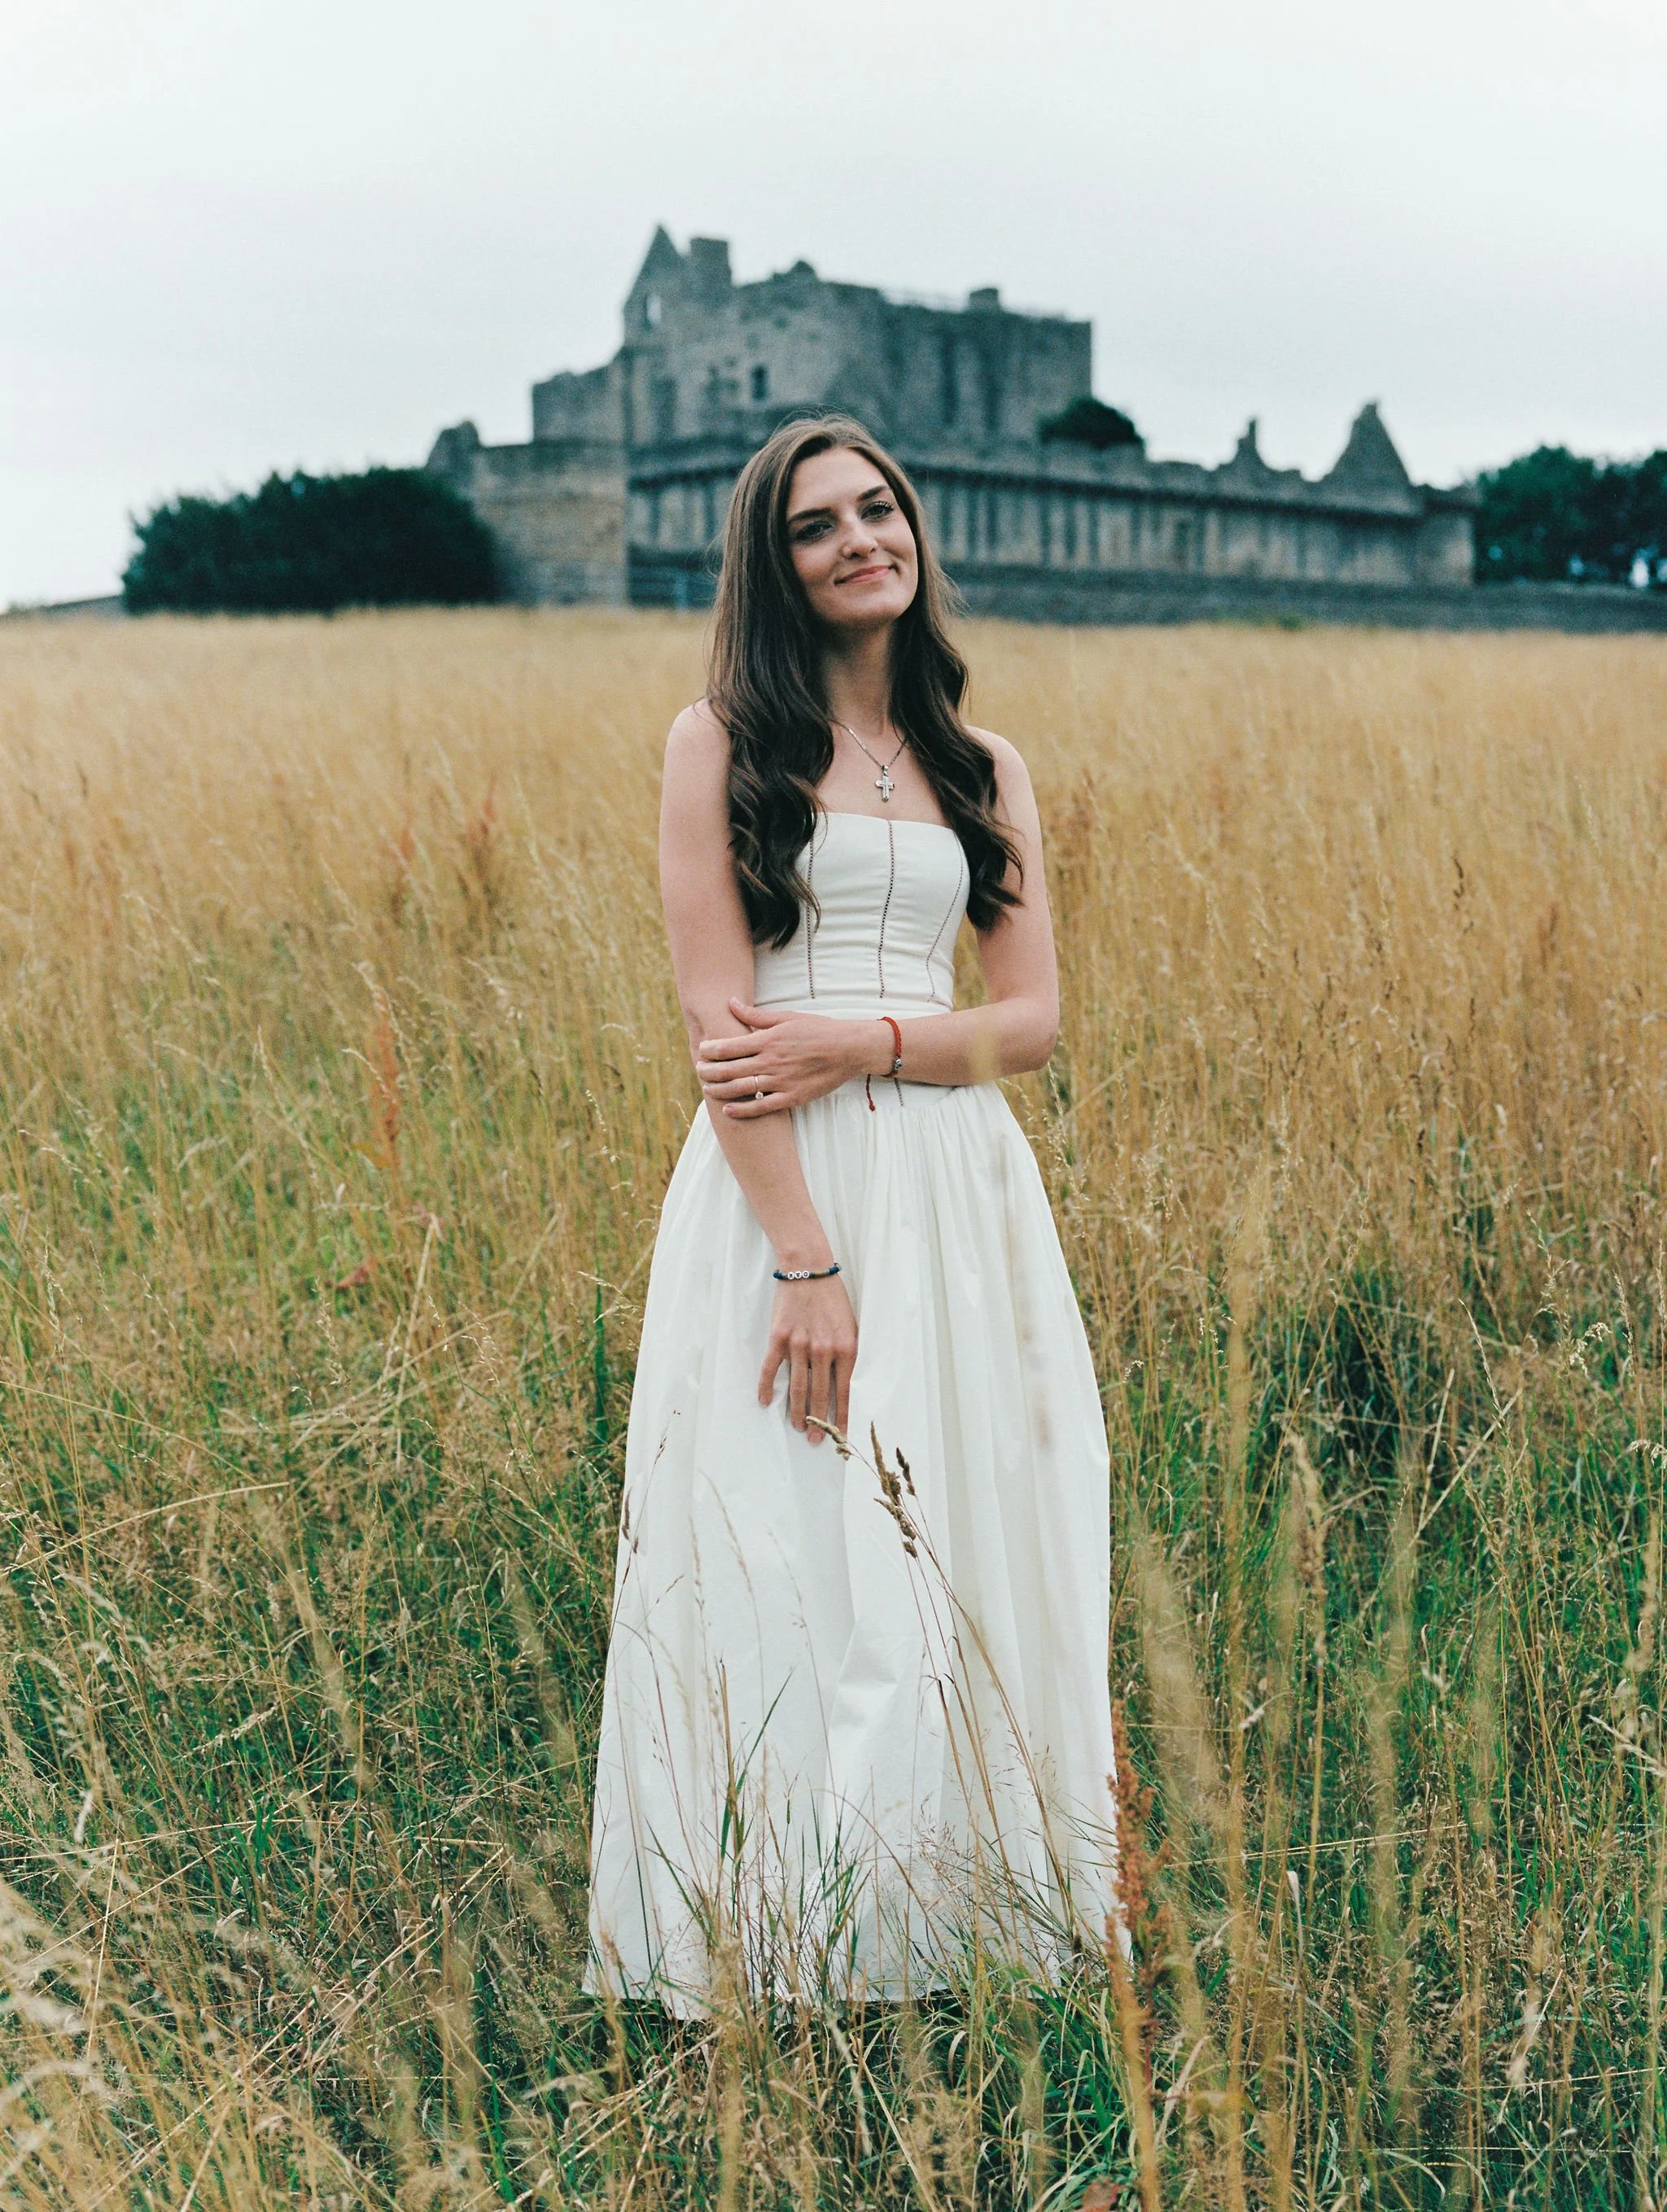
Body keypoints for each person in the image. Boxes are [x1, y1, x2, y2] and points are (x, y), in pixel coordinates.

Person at [585, 415, 1118, 2013]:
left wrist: (874, 1040)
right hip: (785, 1189)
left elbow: (1024, 1024)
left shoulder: (982, 764)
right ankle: (788, 1941)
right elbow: (724, 1034)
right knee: (786, 1533)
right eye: (817, 526)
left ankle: (967, 1914)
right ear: (776, 562)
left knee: (971, 1515)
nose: (858, 540)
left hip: (958, 1189)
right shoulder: (717, 745)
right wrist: (804, 1260)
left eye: (876, 509)